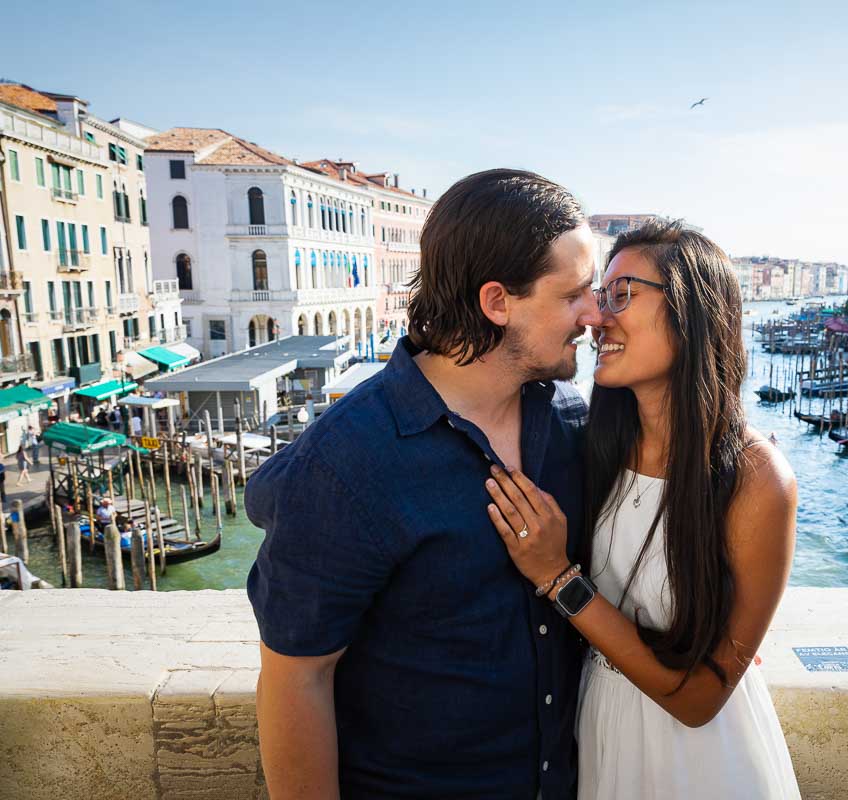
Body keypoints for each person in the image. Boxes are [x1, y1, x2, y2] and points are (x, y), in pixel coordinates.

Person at [246, 169, 601, 799]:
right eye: (575, 294)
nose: (593, 314)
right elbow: (297, 677)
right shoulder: (347, 460)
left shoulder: (569, 419)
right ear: (498, 302)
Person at [483, 220, 800, 799]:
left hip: (701, 763)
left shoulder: (756, 479)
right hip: (599, 734)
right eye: (600, 297)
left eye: (621, 295)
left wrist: (559, 579)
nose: (599, 317)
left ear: (691, 310)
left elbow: (701, 699)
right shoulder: (593, 446)